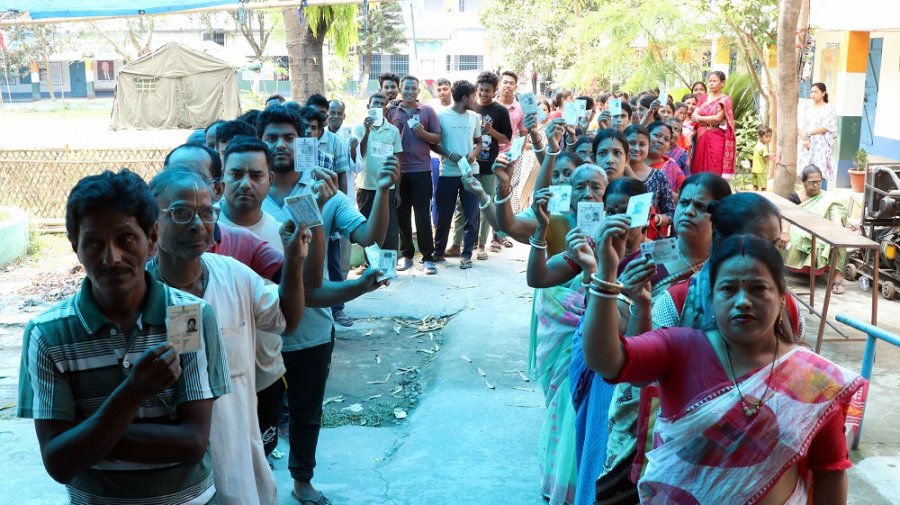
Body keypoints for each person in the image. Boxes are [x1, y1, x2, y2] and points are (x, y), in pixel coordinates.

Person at [581, 233, 865, 504]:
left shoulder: (810, 377)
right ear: (712, 299)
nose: (743, 301)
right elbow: (607, 361)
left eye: (758, 288)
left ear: (781, 297)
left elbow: (829, 469)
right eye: (729, 289)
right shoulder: (679, 348)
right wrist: (606, 276)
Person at [18, 169, 228, 504]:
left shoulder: (186, 316)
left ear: (152, 240)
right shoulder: (48, 334)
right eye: (94, 243)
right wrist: (133, 392)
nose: (112, 257)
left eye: (126, 239)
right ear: (75, 248)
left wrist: (87, 434)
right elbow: (58, 463)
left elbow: (192, 443)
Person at [147, 167, 311, 504]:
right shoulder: (137, 294)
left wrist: (294, 260)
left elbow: (287, 321)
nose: (198, 224)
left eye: (207, 212)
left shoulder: (235, 276)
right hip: (167, 473)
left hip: (233, 459)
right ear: (152, 223)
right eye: (180, 213)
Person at [525, 164, 610, 505]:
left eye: (596, 188)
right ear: (570, 193)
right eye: (581, 187)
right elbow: (539, 277)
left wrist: (595, 269)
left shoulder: (619, 240)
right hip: (565, 349)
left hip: (598, 352)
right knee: (565, 413)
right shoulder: (577, 241)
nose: (588, 194)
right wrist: (542, 232)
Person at [387, 75, 442, 275]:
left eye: (414, 88)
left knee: (422, 215)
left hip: (421, 170)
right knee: (402, 214)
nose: (410, 91)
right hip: (399, 171)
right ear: (401, 90)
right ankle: (407, 255)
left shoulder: (427, 111)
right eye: (406, 88)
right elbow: (385, 136)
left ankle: (428, 257)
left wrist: (423, 134)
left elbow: (437, 137)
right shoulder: (392, 111)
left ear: (419, 91)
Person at [431, 80, 483, 268]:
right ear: (464, 98)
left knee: (472, 214)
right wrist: (449, 154)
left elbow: (479, 143)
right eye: (473, 96)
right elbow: (433, 143)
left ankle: (467, 254)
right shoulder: (441, 116)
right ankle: (438, 252)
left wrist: (473, 155)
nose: (475, 99)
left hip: (470, 172)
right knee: (444, 214)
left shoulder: (474, 117)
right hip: (448, 172)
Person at [784, 165, 849, 294]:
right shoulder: (795, 197)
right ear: (803, 182)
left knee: (838, 236)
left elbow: (836, 214)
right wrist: (785, 232)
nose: (816, 186)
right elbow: (786, 215)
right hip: (801, 228)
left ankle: (837, 277)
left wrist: (837, 227)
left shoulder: (828, 198)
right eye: (812, 183)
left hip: (822, 229)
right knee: (796, 237)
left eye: (819, 182)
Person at [354, 92, 403, 256]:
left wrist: (397, 191)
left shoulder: (393, 131)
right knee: (368, 228)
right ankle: (371, 265)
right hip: (365, 186)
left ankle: (388, 266)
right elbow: (358, 155)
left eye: (381, 104)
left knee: (389, 229)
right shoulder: (359, 128)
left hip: (387, 188)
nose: (378, 107)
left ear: (386, 109)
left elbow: (397, 161)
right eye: (374, 104)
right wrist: (366, 132)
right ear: (368, 107)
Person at [474, 71, 514, 258]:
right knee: (464, 205)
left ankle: (482, 245)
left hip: (489, 164)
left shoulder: (500, 111)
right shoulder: (470, 107)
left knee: (486, 204)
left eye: (488, 90)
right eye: (481, 90)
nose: (483, 93)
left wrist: (492, 131)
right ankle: (464, 243)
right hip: (469, 164)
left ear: (494, 91)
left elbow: (507, 138)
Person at [624, 124, 675, 239]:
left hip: (647, 240)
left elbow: (671, 213)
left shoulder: (658, 176)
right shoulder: (615, 173)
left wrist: (655, 219)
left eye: (642, 144)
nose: (637, 148)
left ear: (648, 146)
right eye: (631, 143)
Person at [691, 71, 736, 178]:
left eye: (714, 81)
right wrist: (703, 119)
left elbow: (717, 119)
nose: (711, 83)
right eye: (710, 81)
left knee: (716, 165)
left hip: (717, 135)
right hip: (701, 135)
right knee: (699, 163)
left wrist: (700, 119)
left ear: (722, 83)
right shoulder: (703, 98)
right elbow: (694, 115)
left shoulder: (725, 99)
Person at [798, 82, 838, 188]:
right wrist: (805, 138)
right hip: (805, 143)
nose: (812, 94)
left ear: (823, 93)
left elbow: (826, 127)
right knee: (806, 170)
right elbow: (801, 124)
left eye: (816, 92)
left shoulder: (829, 109)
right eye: (811, 92)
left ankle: (821, 195)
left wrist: (809, 133)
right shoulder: (806, 108)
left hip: (820, 144)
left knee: (820, 170)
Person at [646, 121, 686, 198]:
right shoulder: (632, 161)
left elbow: (684, 198)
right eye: (657, 135)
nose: (661, 141)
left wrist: (663, 191)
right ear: (646, 136)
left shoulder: (673, 168)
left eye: (666, 139)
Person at [753, 125, 774, 191]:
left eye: (770, 137)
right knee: (763, 187)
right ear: (760, 137)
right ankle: (763, 199)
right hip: (761, 171)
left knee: (755, 186)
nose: (769, 139)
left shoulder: (757, 145)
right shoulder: (763, 147)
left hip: (754, 169)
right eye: (767, 137)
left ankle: (753, 197)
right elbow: (765, 158)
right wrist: (771, 156)